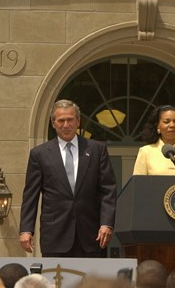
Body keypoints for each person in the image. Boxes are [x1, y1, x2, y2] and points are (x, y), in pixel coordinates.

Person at [19, 99, 118, 257]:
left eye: (70, 120)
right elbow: (30, 195)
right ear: (53, 123)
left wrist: (106, 223)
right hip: (55, 234)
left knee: (89, 282)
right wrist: (26, 229)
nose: (66, 125)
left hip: (91, 234)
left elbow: (108, 190)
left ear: (78, 121)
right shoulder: (40, 154)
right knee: (56, 281)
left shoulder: (96, 150)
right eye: (61, 120)